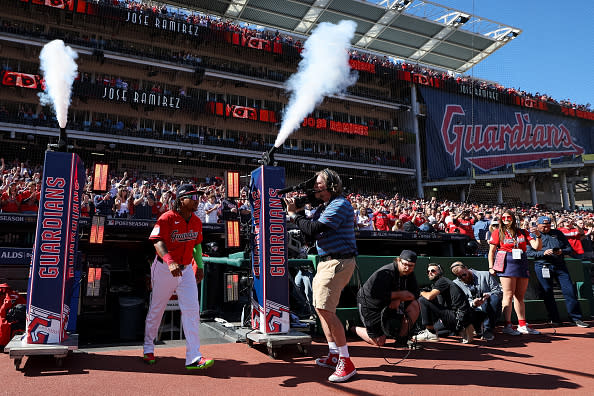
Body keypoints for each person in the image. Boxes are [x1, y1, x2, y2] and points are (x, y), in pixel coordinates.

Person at [286, 168, 357, 383]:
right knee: (320, 308)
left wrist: (293, 215)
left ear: (331, 186)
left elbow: (314, 228)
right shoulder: (325, 205)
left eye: (318, 183)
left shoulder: (340, 204)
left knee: (326, 309)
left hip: (338, 261)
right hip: (327, 262)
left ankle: (347, 361)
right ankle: (334, 353)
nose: (314, 187)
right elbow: (309, 227)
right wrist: (301, 202)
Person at [143, 184, 214, 370]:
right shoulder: (167, 217)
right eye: (193, 197)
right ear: (181, 200)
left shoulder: (197, 221)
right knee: (157, 310)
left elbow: (197, 245)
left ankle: (193, 357)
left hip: (187, 270)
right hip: (164, 269)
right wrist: (169, 261)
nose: (197, 200)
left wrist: (200, 265)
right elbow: (157, 241)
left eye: (198, 197)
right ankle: (148, 348)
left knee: (192, 311)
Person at [526, 216, 590, 328]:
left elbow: (569, 249)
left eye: (548, 226)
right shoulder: (532, 235)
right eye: (544, 226)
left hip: (559, 265)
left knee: (569, 290)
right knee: (548, 292)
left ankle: (576, 318)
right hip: (543, 265)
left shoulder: (558, 233)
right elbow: (528, 253)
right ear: (538, 225)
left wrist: (561, 251)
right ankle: (554, 318)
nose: (546, 228)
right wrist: (543, 253)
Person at [488, 209, 542, 335]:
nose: (506, 220)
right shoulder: (498, 232)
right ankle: (507, 325)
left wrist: (538, 235)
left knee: (520, 296)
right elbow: (491, 251)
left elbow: (537, 247)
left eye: (509, 217)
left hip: (521, 262)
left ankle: (522, 324)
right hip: (506, 262)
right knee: (508, 294)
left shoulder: (522, 232)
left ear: (513, 219)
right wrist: (491, 266)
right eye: (504, 218)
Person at [352, 249, 420, 347]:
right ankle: (352, 327)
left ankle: (402, 339)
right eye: (404, 264)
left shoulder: (409, 274)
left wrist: (398, 299)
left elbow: (415, 293)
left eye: (411, 265)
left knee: (415, 304)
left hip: (389, 304)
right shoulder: (386, 272)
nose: (407, 268)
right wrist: (398, 296)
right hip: (370, 304)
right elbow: (375, 294)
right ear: (398, 260)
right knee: (379, 341)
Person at [416, 263, 481, 344]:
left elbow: (429, 297)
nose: (430, 272)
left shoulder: (442, 281)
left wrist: (421, 292)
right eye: (428, 271)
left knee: (423, 300)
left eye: (433, 271)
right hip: (458, 317)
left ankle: (430, 333)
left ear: (440, 272)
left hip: (458, 317)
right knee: (438, 331)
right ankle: (464, 330)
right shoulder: (440, 284)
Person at [450, 261, 502, 341]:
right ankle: (477, 328)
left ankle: (487, 329)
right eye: (460, 277)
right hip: (473, 311)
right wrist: (473, 303)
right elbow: (459, 301)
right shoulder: (456, 283)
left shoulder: (485, 275)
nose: (463, 278)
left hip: (489, 307)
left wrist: (488, 295)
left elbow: (498, 291)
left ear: (466, 268)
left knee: (494, 298)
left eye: (464, 274)